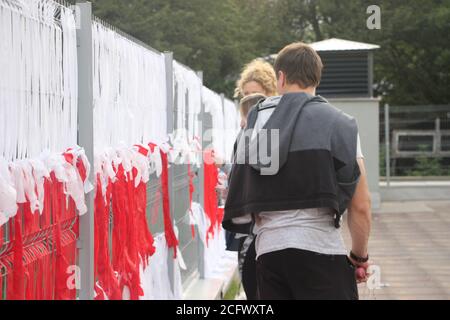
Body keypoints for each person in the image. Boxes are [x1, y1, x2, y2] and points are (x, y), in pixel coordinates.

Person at [223, 42, 372, 300]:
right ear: (317, 78)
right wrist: (359, 256)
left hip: (269, 257)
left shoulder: (256, 122)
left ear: (280, 77)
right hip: (322, 254)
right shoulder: (340, 123)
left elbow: (238, 198)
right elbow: (361, 205)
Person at [225, 59, 278, 301]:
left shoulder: (273, 128)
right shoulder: (246, 128)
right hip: (248, 227)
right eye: (246, 94)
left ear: (271, 92)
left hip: (264, 226)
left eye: (255, 94)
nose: (250, 100)